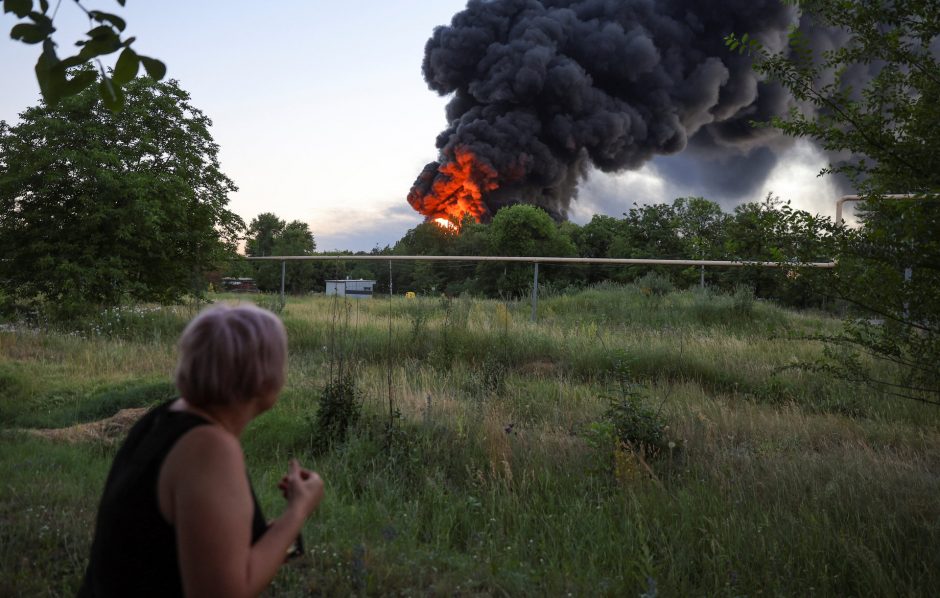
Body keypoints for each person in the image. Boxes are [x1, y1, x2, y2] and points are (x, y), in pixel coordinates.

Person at [78, 304, 324, 597]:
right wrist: (297, 511)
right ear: (263, 378)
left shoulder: (162, 419)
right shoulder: (209, 449)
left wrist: (279, 533)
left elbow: (185, 547)